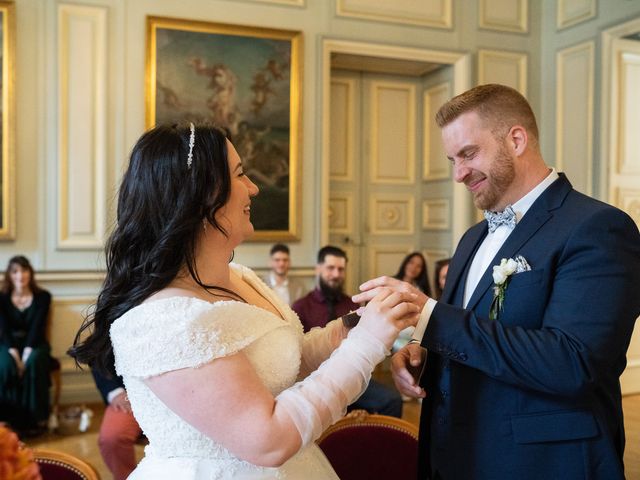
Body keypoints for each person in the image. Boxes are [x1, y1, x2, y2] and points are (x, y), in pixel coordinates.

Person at [69, 123, 419, 479]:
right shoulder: (162, 319)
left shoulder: (242, 276)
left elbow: (289, 362)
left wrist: (352, 326)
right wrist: (366, 345)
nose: (253, 187)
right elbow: (268, 441)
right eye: (240, 174)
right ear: (203, 195)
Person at [354, 84, 640, 479]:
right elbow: (469, 336)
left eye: (468, 154)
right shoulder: (471, 238)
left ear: (517, 139)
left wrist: (432, 317)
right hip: (455, 455)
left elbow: (573, 363)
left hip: (542, 464)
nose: (458, 174)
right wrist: (423, 353)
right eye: (452, 159)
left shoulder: (598, 228)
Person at [292, 246, 403, 418]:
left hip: (352, 376)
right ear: (318, 269)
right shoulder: (301, 306)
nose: (336, 274)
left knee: (392, 401)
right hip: (316, 380)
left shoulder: (352, 304)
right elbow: (296, 354)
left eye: (340, 269)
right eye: (330, 268)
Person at [0, 256, 52, 434]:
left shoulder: (43, 297)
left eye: (24, 270)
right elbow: (4, 330)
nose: (20, 275)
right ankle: (9, 420)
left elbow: (37, 329)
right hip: (8, 345)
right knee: (6, 364)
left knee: (35, 361)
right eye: (15, 271)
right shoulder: (1, 298)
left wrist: (25, 357)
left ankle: (35, 420)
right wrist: (15, 357)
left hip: (35, 343)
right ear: (9, 275)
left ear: (30, 273)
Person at [91, 368, 142, 480]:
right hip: (130, 393)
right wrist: (115, 392)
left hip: (180, 388)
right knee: (112, 437)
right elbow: (97, 356)